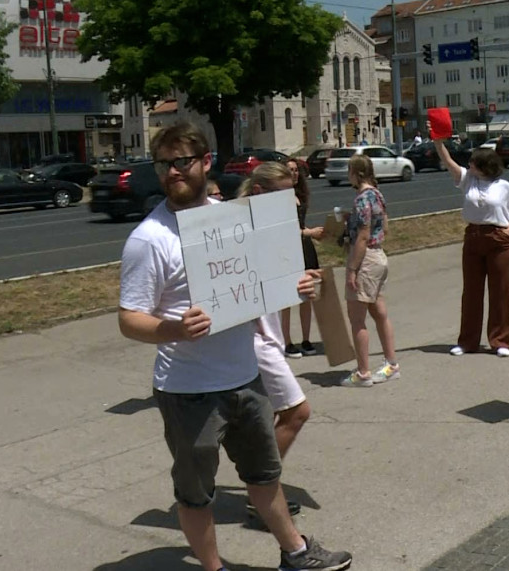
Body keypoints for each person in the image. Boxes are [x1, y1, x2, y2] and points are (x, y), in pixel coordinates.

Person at [118, 122, 351, 571]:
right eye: (163, 163)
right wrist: (173, 329)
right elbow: (129, 319)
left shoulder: (231, 221)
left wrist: (294, 285)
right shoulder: (150, 239)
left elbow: (259, 280)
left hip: (245, 377)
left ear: (206, 163)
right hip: (188, 390)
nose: (172, 172)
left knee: (265, 476)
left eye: (182, 161)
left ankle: (297, 553)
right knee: (196, 491)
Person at [237, 162, 312, 521]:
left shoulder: (272, 226)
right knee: (297, 412)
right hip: (255, 339)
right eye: (284, 194)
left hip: (268, 335)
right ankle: (262, 493)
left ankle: (262, 490)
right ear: (259, 194)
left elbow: (278, 282)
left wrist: (302, 282)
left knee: (263, 420)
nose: (292, 201)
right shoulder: (242, 228)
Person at [433, 137, 509, 357]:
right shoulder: (467, 180)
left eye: (473, 163)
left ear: (484, 166)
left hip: (498, 240)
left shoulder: (504, 187)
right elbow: (448, 161)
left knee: (501, 291)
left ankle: (501, 341)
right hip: (474, 237)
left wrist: (508, 232)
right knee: (472, 292)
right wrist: (438, 143)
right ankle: (467, 341)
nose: (469, 165)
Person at [339, 154, 399, 387]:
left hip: (365, 259)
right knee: (379, 312)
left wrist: (352, 269)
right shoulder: (377, 195)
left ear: (355, 173)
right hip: (379, 255)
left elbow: (363, 236)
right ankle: (391, 363)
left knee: (357, 319)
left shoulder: (362, 199)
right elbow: (382, 224)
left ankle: (363, 372)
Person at [279, 159, 324, 358]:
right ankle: (286, 341)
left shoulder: (299, 194)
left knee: (306, 294)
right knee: (287, 298)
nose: (295, 173)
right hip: (288, 248)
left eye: (296, 170)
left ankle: (306, 340)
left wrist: (313, 233)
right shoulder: (279, 197)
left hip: (305, 247)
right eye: (290, 170)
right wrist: (309, 232)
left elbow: (301, 225)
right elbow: (285, 229)